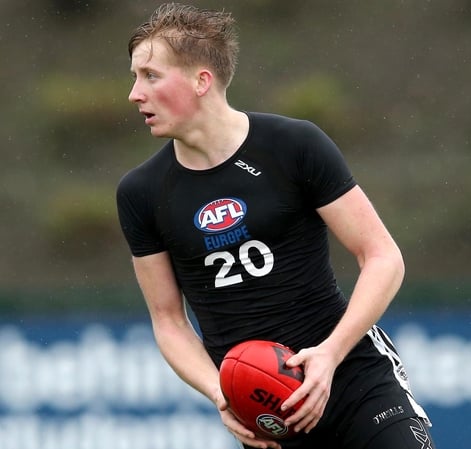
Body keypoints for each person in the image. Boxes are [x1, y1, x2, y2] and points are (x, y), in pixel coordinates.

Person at [115, 3, 436, 449]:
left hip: (353, 382)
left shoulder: (292, 146)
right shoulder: (141, 193)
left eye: (150, 75)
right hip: (267, 415)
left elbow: (382, 257)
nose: (134, 93)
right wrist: (219, 391)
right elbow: (169, 321)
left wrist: (329, 354)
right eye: (135, 77)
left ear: (201, 81)